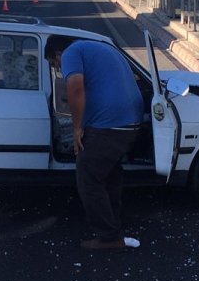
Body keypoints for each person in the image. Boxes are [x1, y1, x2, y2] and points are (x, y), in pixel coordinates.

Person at [44, 35, 144, 250]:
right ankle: (113, 222)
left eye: (55, 64)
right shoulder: (98, 47)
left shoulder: (70, 53)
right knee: (110, 175)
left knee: (88, 177)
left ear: (57, 54)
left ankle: (109, 237)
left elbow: (75, 88)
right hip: (131, 122)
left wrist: (77, 127)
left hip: (110, 126)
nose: (59, 69)